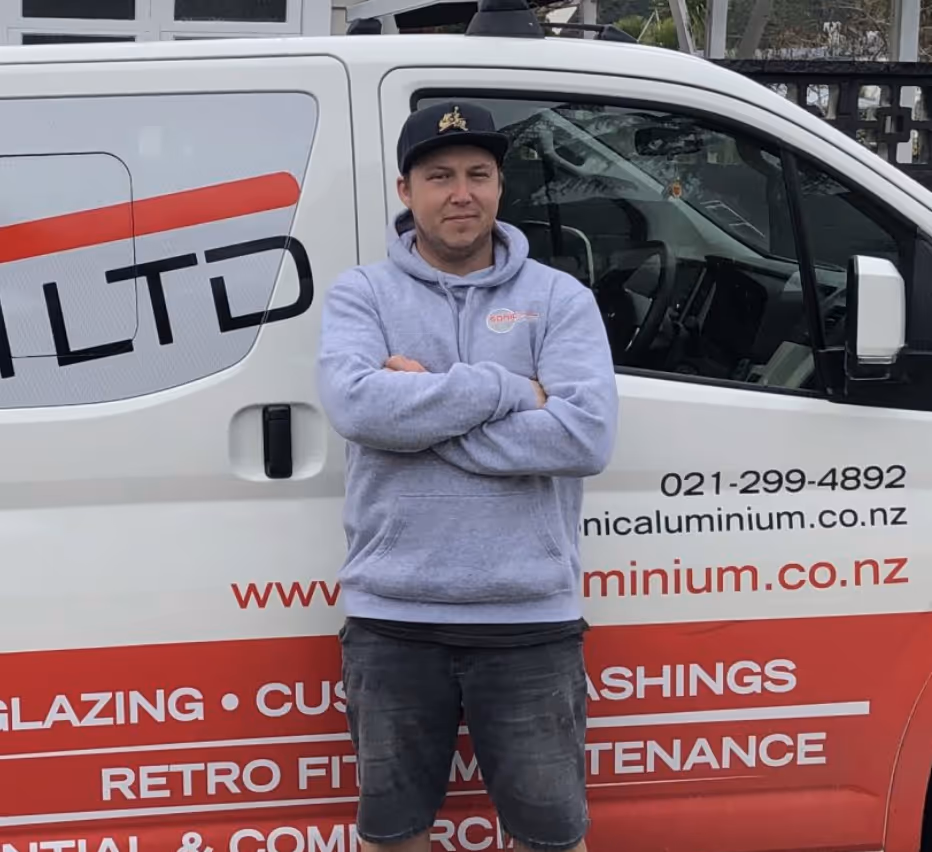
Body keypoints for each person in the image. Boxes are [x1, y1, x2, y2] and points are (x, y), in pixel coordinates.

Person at [317, 101, 619, 852]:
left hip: (529, 620)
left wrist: (423, 415)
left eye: (479, 175)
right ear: (404, 190)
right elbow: (358, 407)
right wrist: (509, 389)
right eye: (440, 176)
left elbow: (584, 436)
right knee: (394, 836)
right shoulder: (363, 294)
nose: (462, 193)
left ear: (499, 187)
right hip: (393, 616)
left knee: (551, 838)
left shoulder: (558, 299)